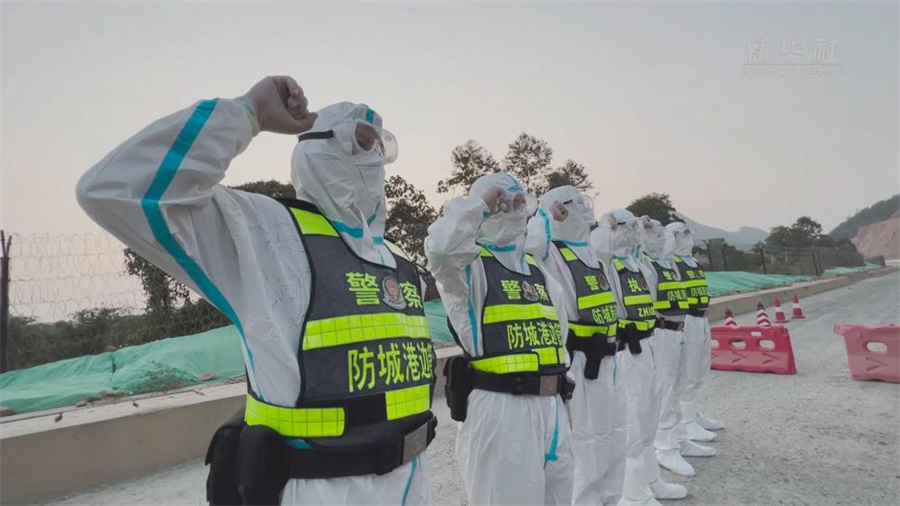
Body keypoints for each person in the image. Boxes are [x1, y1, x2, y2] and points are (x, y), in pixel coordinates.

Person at [77, 76, 436, 505]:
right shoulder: (269, 233)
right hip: (323, 486)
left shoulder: (397, 258)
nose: (373, 157)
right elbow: (114, 189)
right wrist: (250, 113)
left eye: (379, 146)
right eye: (361, 141)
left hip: (413, 480)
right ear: (319, 150)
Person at [425, 173, 574, 505]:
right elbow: (441, 251)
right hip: (503, 410)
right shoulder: (470, 269)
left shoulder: (537, 270)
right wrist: (479, 206)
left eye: (521, 202)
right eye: (506, 203)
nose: (515, 210)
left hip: (551, 407)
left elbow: (559, 334)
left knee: (560, 496)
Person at [523, 186, 626, 506]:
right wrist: (545, 214)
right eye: (574, 203)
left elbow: (611, 241)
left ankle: (611, 498)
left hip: (610, 357)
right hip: (582, 360)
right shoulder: (552, 253)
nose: (582, 207)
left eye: (584, 201)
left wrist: (611, 223)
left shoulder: (594, 253)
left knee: (614, 433)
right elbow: (531, 244)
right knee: (587, 440)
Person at [590, 211, 668, 506]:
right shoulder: (606, 263)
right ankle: (633, 493)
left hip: (648, 344)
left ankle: (651, 480)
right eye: (631, 227)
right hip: (627, 350)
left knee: (649, 415)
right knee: (633, 422)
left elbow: (656, 249)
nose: (637, 230)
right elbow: (599, 246)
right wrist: (608, 225)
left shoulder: (636, 262)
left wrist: (644, 228)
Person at [634, 220, 701, 488]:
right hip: (661, 332)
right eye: (656, 233)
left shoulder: (668, 263)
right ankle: (665, 446)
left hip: (678, 330)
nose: (662, 237)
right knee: (663, 388)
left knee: (678, 385)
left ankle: (678, 436)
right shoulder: (645, 262)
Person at [665, 223, 724, 445]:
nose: (688, 238)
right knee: (687, 373)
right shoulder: (672, 263)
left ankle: (694, 413)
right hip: (687, 319)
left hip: (702, 318)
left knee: (700, 369)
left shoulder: (694, 263)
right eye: (683, 234)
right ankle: (686, 421)